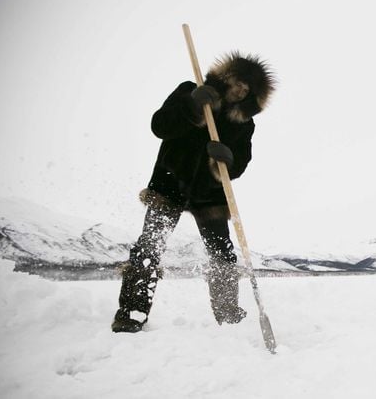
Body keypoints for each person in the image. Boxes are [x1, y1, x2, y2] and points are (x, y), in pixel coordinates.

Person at [111, 52, 275, 333]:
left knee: (222, 255)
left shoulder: (244, 123)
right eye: (238, 83)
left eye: (246, 90)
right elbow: (159, 126)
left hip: (210, 195)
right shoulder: (191, 90)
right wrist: (192, 108)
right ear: (227, 78)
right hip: (169, 185)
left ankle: (228, 315)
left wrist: (226, 160)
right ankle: (131, 312)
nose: (240, 91)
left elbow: (240, 163)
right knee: (149, 247)